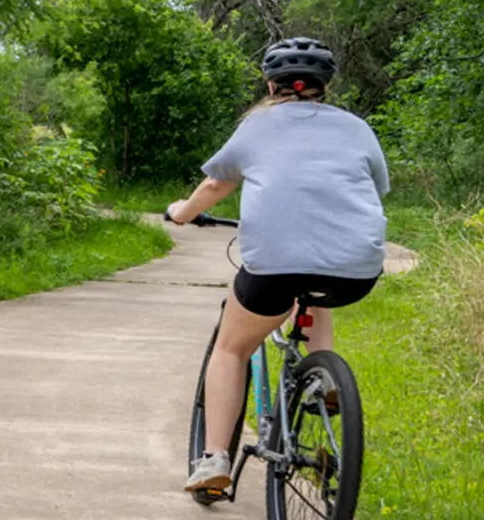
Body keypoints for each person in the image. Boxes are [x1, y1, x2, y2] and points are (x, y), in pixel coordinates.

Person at [164, 38, 389, 495]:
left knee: (231, 349)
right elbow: (377, 184)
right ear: (325, 87)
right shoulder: (358, 128)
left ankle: (213, 461)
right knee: (316, 286)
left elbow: (214, 185)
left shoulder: (258, 124)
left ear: (270, 83)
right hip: (355, 270)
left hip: (274, 270)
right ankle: (321, 379)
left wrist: (180, 213)